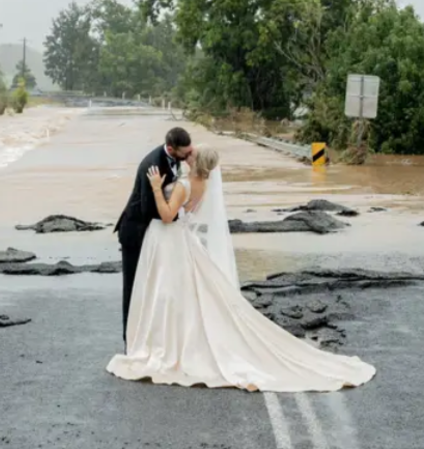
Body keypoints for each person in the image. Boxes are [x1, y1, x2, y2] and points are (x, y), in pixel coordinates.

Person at [107, 143, 376, 392]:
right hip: (185, 242)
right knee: (189, 295)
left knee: (171, 294)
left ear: (197, 162)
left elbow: (167, 216)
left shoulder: (185, 184)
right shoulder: (203, 183)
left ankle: (167, 343)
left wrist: (155, 186)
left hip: (175, 239)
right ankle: (176, 339)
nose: (187, 156)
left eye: (191, 155)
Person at [115, 127, 193, 348]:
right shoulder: (153, 164)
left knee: (152, 287)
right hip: (136, 232)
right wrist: (176, 212)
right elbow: (149, 208)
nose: (188, 157)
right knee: (133, 288)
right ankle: (129, 340)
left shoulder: (174, 157)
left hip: (155, 233)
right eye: (184, 154)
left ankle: (150, 336)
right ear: (170, 148)